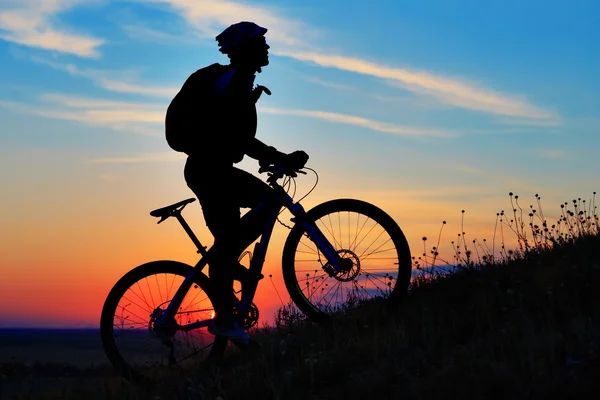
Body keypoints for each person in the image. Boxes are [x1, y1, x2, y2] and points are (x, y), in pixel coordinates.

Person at [174, 21, 309, 344]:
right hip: (210, 171)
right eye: (261, 43)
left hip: (214, 169)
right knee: (248, 225)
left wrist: (272, 157)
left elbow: (234, 136)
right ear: (245, 48)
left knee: (234, 237)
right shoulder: (232, 82)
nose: (267, 48)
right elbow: (239, 138)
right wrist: (278, 156)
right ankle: (223, 316)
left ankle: (229, 286)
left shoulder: (238, 81)